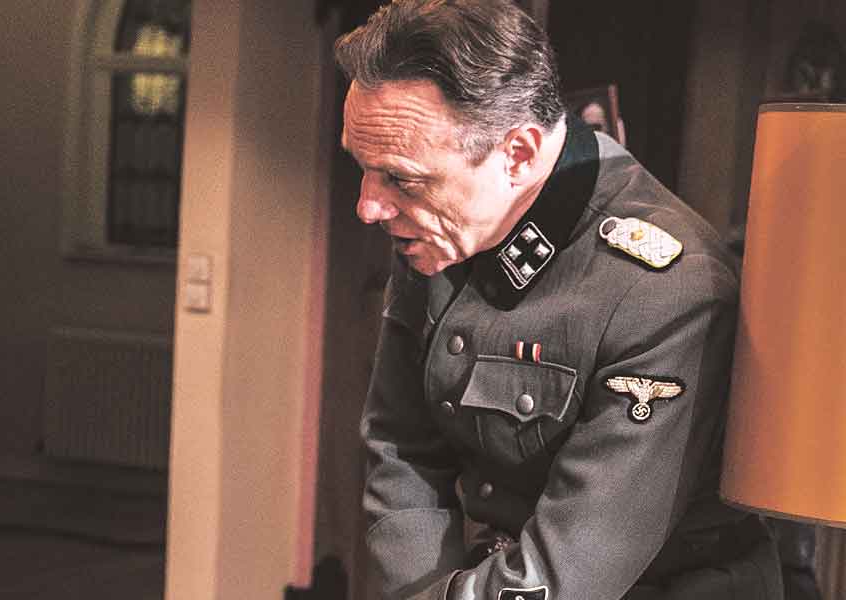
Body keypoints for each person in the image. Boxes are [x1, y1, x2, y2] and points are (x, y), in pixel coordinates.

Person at [334, 1, 782, 599]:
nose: (369, 206)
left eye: (401, 179)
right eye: (363, 169)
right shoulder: (441, 230)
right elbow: (402, 451)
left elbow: (575, 570)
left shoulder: (666, 290)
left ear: (517, 155)